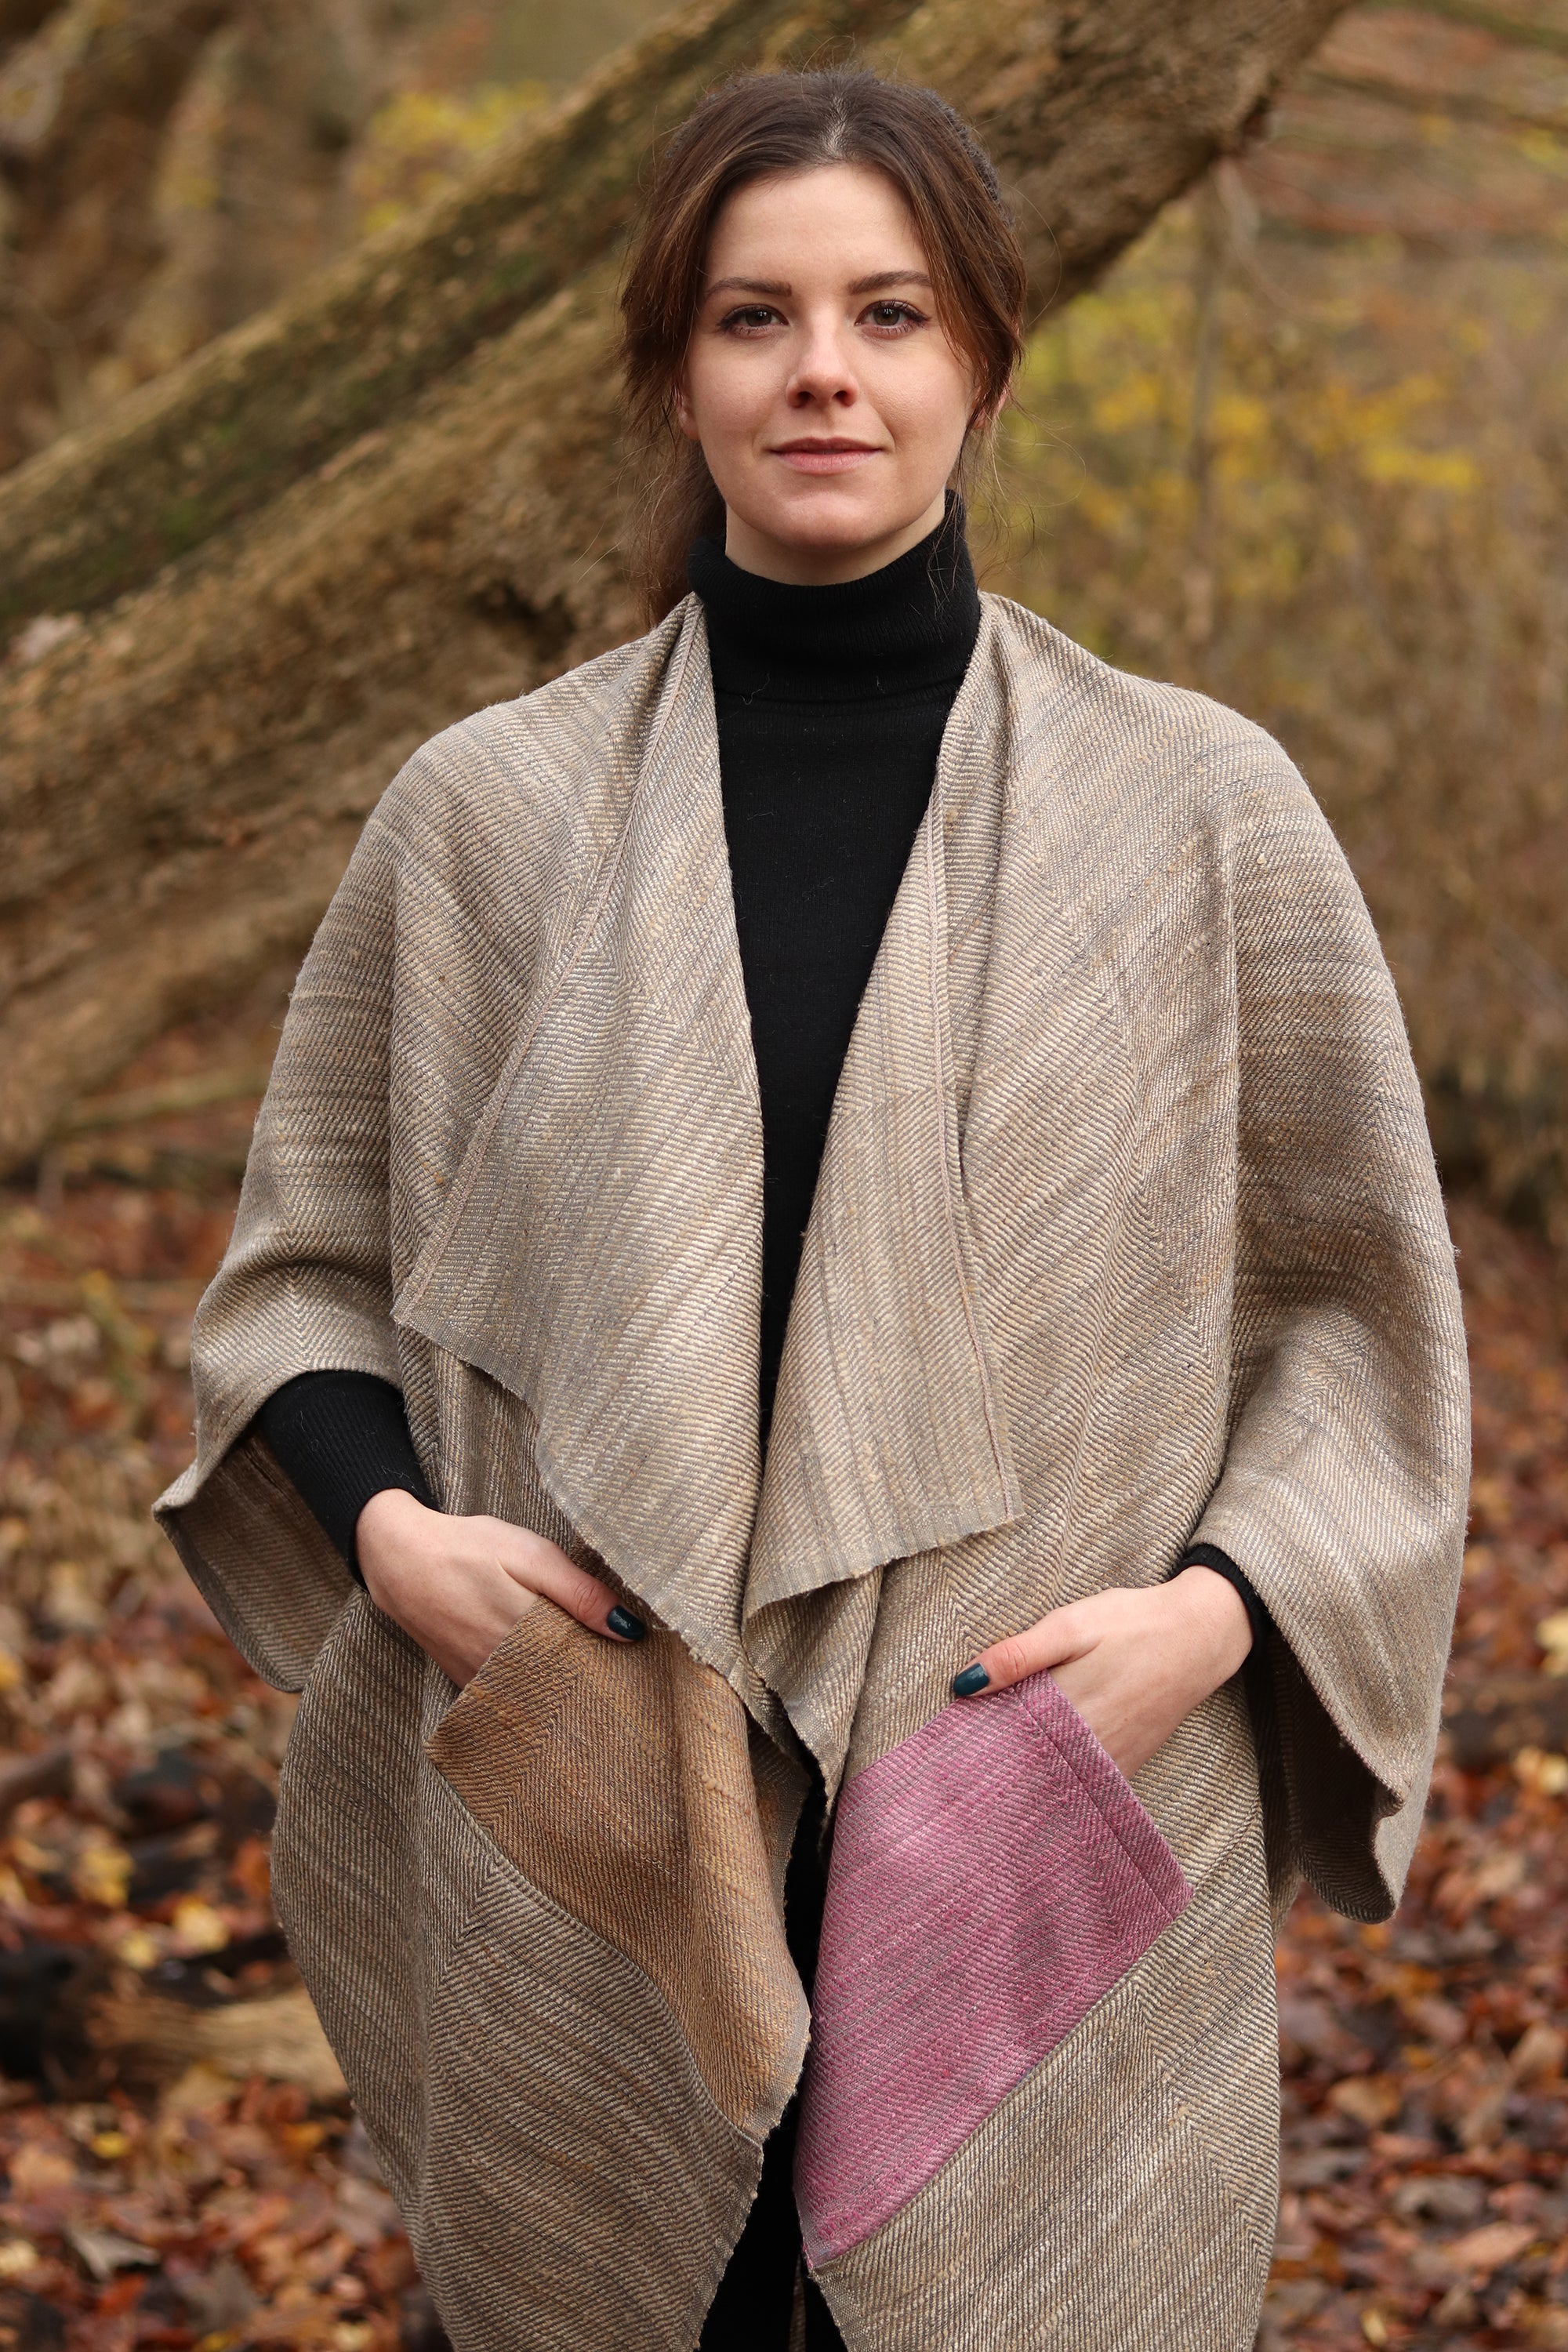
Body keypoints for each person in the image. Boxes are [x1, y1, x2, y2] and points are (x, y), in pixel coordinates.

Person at [158, 67, 1471, 2352]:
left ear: (984, 359)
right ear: (676, 370)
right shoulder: (488, 816)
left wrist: (1215, 1621)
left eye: (890, 312)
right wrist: (395, 1541)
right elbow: (299, 1285)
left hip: (1039, 1777)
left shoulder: (1200, 815)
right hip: (596, 1782)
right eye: (755, 317)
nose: (824, 373)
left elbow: (1362, 1329)